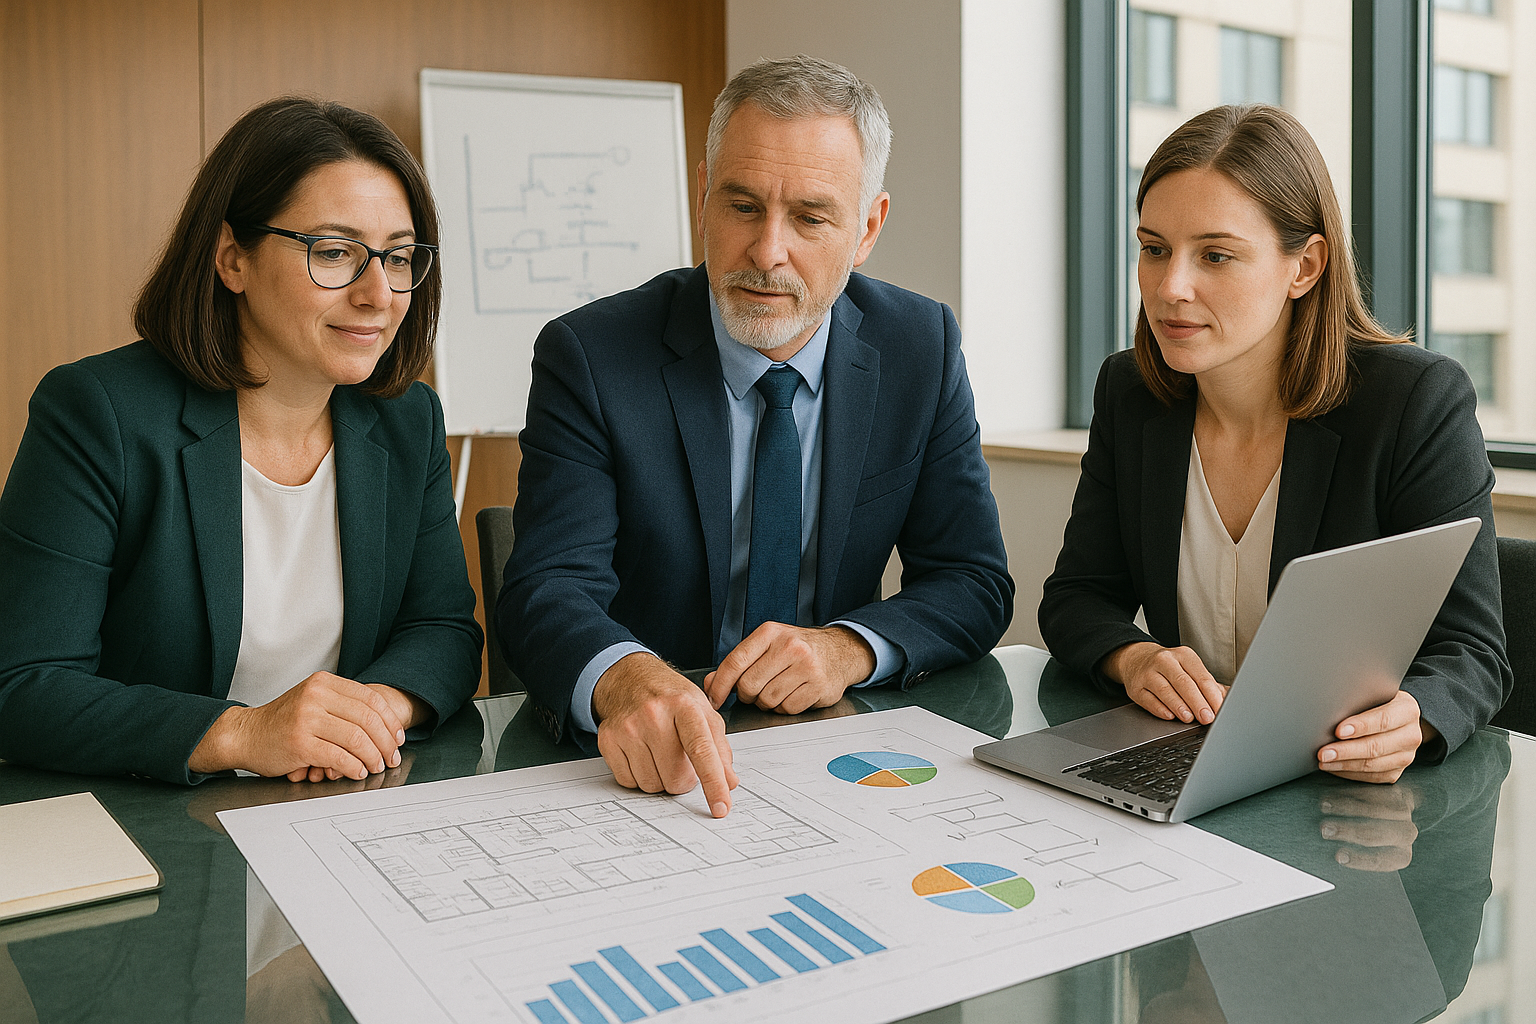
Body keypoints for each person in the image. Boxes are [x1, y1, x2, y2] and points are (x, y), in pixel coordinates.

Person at [498, 55, 1013, 817]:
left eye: (810, 217)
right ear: (703, 197)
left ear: (867, 227)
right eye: (742, 206)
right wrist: (627, 677)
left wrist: (848, 647)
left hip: (835, 757)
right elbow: (546, 588)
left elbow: (973, 578)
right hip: (641, 772)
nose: (767, 252)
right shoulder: (593, 356)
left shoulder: (920, 346)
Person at [0, 97, 483, 786]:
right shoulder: (97, 414)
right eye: (336, 252)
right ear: (233, 258)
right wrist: (242, 733)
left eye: (400, 257)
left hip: (336, 804)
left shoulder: (409, 420)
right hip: (151, 827)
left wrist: (369, 715)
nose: (380, 293)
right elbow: (21, 685)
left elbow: (443, 632)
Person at [1039, 104, 1510, 783]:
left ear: (1305, 267)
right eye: (1154, 248)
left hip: (1342, 792)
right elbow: (1078, 596)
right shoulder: (1130, 391)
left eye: (1217, 255)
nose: (1170, 288)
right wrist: (1133, 657)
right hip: (1190, 768)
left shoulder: (1414, 402)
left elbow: (1472, 652)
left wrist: (1414, 717)